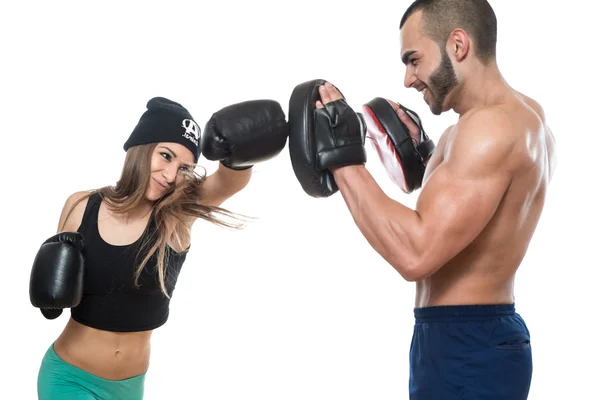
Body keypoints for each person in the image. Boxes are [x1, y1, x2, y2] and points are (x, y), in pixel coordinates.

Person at [288, 0, 557, 398]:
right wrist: (427, 164)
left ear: (458, 45)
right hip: (458, 335)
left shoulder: (490, 129)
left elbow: (417, 253)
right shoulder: (507, 120)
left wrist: (343, 159)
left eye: (414, 60)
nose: (408, 79)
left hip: (468, 341)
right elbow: (477, 215)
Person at [29, 96, 288, 399]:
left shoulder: (176, 217)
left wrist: (242, 145)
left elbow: (227, 182)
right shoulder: (80, 205)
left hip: (130, 387)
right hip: (69, 378)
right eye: (165, 156)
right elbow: (56, 289)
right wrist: (50, 298)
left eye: (184, 168)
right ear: (141, 148)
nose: (170, 176)